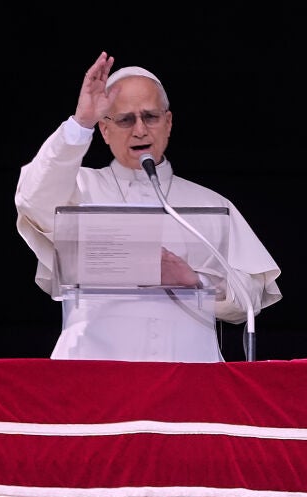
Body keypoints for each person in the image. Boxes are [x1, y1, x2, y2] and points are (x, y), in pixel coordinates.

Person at [15, 52, 282, 362]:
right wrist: (81, 123)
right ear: (105, 130)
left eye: (150, 117)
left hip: (189, 372)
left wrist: (195, 281)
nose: (140, 130)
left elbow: (250, 298)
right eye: (126, 119)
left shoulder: (210, 204)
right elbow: (32, 199)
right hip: (93, 369)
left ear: (168, 123)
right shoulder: (79, 189)